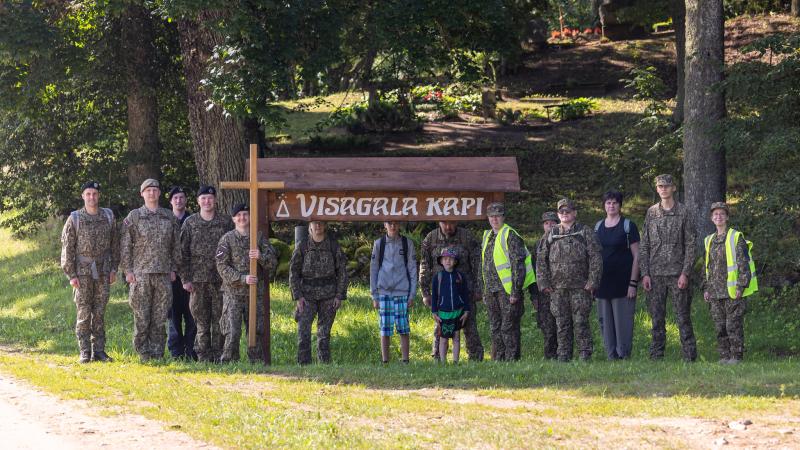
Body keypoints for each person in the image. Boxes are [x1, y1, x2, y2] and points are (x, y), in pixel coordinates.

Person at [120, 178, 181, 362]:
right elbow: (125, 245)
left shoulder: (168, 216)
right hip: (141, 275)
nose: (152, 193)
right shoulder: (134, 216)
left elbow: (176, 245)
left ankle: (157, 352)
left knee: (160, 316)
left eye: (155, 190)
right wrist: (128, 271)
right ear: (142, 194)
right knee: (142, 316)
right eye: (148, 190)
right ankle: (143, 353)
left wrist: (174, 268)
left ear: (159, 193)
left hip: (163, 274)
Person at [639, 174, 697, 361]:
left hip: (677, 274)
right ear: (657, 189)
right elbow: (645, 245)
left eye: (666, 186)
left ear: (673, 188)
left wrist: (685, 273)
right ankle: (656, 356)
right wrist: (645, 273)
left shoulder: (684, 212)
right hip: (655, 274)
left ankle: (689, 356)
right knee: (656, 318)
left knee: (683, 317)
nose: (663, 189)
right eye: (660, 186)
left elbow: (690, 245)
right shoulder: (651, 213)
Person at [60, 181, 119, 363]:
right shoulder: (75, 218)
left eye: (94, 193)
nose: (91, 197)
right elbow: (67, 248)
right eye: (88, 194)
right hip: (82, 273)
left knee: (100, 313)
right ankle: (85, 351)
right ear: (83, 196)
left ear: (98, 196)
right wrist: (71, 275)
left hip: (103, 271)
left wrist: (114, 268)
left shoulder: (108, 216)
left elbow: (115, 245)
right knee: (84, 313)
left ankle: (99, 351)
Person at [536, 198, 602, 362]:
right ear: (558, 214)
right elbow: (541, 260)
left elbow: (596, 257)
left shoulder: (584, 232)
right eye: (561, 211)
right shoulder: (551, 234)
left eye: (568, 211)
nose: (564, 214)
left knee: (581, 322)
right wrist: (543, 283)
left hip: (581, 287)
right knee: (561, 323)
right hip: (557, 288)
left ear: (575, 213)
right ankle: (563, 355)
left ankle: (584, 355)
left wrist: (593, 281)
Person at [216, 203, 277, 363]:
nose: (242, 218)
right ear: (233, 219)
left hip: (254, 294)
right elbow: (221, 266)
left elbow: (272, 263)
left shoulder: (259, 238)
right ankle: (229, 363)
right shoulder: (227, 239)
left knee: (255, 331)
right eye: (239, 215)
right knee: (232, 331)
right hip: (233, 294)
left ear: (250, 217)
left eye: (245, 214)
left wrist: (260, 256)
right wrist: (242, 279)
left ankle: (256, 363)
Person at [179, 185, 234, 362]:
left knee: (219, 321)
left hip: (221, 280)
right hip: (197, 281)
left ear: (215, 200)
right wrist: (185, 279)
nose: (207, 201)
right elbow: (182, 253)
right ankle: (203, 356)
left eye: (210, 198)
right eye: (203, 198)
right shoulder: (190, 223)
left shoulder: (226, 222)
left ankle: (218, 356)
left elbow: (232, 249)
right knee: (201, 322)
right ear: (198, 201)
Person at [419, 221, 484, 361]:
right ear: (439, 222)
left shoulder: (467, 237)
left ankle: (476, 358)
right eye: (444, 223)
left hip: (465, 291)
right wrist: (425, 292)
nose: (448, 227)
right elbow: (424, 265)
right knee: (440, 326)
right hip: (442, 294)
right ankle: (438, 358)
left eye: (451, 223)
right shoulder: (430, 238)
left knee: (469, 326)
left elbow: (478, 264)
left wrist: (479, 288)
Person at [702, 202, 758, 364]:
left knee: (733, 325)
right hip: (715, 292)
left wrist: (741, 286)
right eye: (715, 214)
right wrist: (706, 288)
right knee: (720, 327)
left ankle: (736, 357)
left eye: (722, 214)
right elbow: (706, 267)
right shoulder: (709, 240)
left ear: (727, 217)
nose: (718, 216)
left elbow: (743, 264)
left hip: (733, 291)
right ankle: (724, 356)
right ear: (711, 218)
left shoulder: (736, 237)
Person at [480, 202, 535, 361]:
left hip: (507, 291)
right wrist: (483, 290)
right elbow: (482, 265)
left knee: (509, 327)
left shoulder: (510, 235)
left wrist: (515, 291)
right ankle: (499, 359)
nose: (494, 219)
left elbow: (518, 265)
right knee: (495, 327)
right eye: (491, 216)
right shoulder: (487, 235)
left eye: (497, 216)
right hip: (491, 290)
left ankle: (512, 360)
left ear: (503, 217)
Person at [289, 221, 348, 364]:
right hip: (307, 296)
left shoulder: (333, 246)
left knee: (324, 334)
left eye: (321, 223)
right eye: (315, 223)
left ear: (325, 225)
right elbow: (293, 272)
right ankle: (303, 365)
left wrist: (339, 295)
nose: (318, 226)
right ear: (310, 226)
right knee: (303, 331)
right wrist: (298, 296)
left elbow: (342, 272)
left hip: (328, 295)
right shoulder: (302, 246)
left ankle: (324, 365)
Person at [594, 191, 640, 360]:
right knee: (605, 323)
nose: (611, 206)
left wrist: (633, 283)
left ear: (620, 205)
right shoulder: (598, 227)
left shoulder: (628, 226)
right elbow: (593, 256)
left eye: (614, 202)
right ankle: (611, 356)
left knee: (623, 323)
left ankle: (623, 355)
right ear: (604, 205)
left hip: (623, 284)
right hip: (602, 284)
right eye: (608, 203)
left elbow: (637, 256)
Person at [370, 221, 417, 364]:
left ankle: (405, 360)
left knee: (403, 328)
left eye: (396, 223)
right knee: (385, 328)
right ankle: (385, 361)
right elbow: (373, 269)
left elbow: (412, 269)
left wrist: (412, 294)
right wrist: (374, 295)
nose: (393, 226)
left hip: (402, 291)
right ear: (384, 225)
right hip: (383, 291)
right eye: (389, 223)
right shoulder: (379, 244)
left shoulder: (407, 244)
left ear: (400, 224)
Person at [167, 186, 196, 360]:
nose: (179, 200)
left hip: (190, 275)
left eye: (181, 197)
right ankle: (176, 352)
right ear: (171, 201)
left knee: (192, 314)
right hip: (171, 276)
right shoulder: (165, 220)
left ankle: (191, 351)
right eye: (175, 198)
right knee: (173, 316)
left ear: (186, 200)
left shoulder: (192, 221)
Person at [431, 248, 470, 363]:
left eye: (451, 259)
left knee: (456, 338)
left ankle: (455, 361)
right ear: (441, 261)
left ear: (455, 261)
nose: (448, 261)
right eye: (445, 259)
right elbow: (434, 296)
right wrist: (434, 312)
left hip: (458, 312)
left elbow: (465, 294)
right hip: (443, 313)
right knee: (443, 339)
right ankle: (443, 362)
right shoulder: (438, 277)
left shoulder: (460, 276)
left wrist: (466, 310)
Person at [529, 211, 559, 360]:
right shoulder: (538, 245)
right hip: (543, 294)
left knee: (562, 324)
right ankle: (550, 356)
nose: (550, 226)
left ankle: (563, 354)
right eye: (547, 223)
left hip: (560, 290)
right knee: (547, 326)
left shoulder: (563, 240)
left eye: (553, 223)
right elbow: (532, 271)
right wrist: (534, 295)